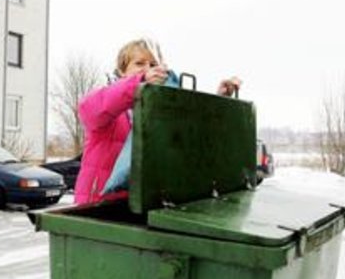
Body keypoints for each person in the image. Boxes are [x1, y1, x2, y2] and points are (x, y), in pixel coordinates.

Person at [73, 39, 242, 204]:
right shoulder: (109, 104)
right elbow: (89, 108)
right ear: (122, 71)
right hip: (96, 206)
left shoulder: (161, 111)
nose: (147, 69)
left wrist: (220, 98)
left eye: (153, 65)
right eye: (139, 64)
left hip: (139, 203)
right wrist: (140, 82)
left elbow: (191, 128)